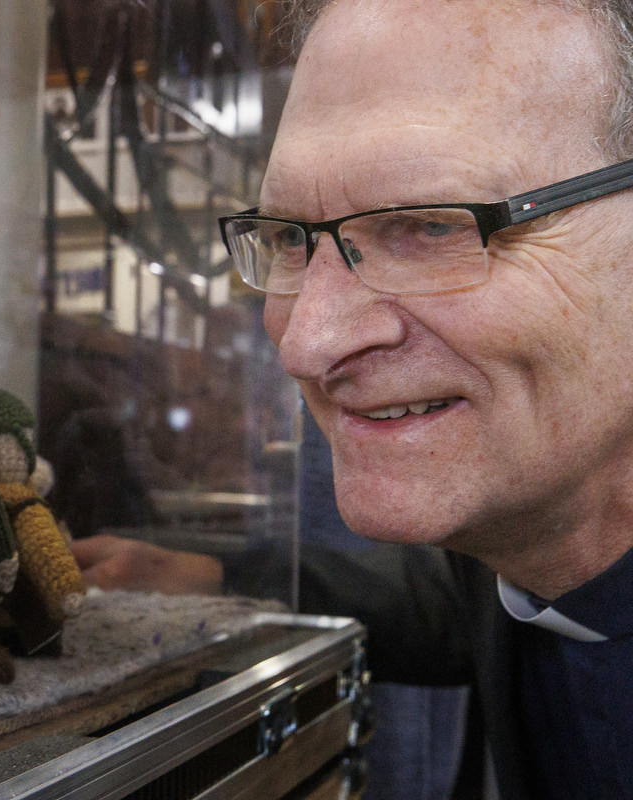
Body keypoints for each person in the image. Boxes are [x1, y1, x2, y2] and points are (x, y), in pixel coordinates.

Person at [71, 1, 633, 797]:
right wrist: (209, 575)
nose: (307, 342)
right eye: (290, 240)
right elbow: (449, 611)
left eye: (433, 227)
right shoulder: (527, 550)